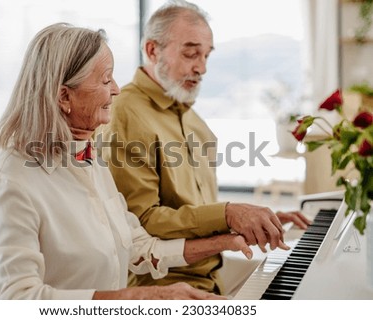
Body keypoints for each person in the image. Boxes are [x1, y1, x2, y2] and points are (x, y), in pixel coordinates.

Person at [0, 22, 263, 300]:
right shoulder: (11, 180)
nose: (116, 89)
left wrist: (223, 241)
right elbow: (18, 298)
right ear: (64, 97)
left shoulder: (88, 156)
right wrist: (143, 298)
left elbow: (137, 247)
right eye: (106, 79)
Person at [100, 0, 310, 295]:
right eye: (190, 53)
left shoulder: (193, 119)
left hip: (213, 275)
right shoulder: (124, 112)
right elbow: (142, 221)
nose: (201, 67)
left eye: (206, 55)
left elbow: (194, 211)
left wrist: (255, 218)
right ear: (152, 50)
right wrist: (228, 213)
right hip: (163, 287)